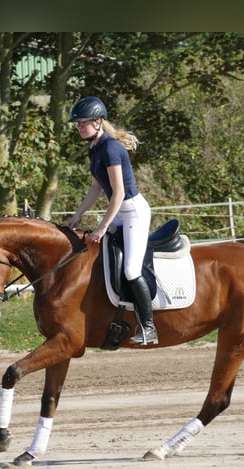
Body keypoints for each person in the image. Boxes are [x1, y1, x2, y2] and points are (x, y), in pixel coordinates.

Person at [65, 96, 158, 346]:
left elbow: (117, 193)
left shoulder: (111, 148)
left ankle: (149, 327)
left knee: (130, 269)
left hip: (133, 212)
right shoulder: (94, 147)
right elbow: (96, 187)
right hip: (119, 210)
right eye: (77, 124)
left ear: (98, 122)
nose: (78, 127)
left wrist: (103, 226)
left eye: (82, 123)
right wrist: (78, 214)